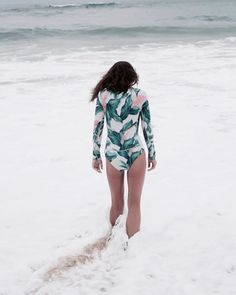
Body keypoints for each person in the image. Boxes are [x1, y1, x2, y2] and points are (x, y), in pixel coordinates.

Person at [90, 61, 157, 240]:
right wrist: (152, 154)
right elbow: (147, 127)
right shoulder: (140, 95)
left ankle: (113, 243)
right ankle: (132, 250)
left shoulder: (103, 96)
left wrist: (96, 155)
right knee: (134, 204)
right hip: (136, 152)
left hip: (113, 153)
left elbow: (97, 127)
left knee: (116, 203)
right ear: (132, 77)